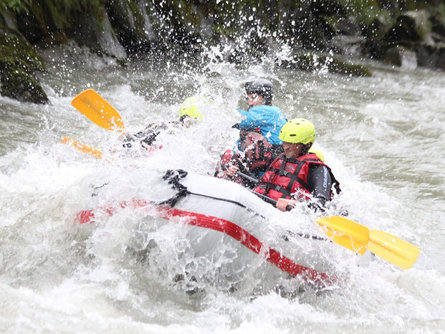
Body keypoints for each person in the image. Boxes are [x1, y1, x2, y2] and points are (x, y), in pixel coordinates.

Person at [253, 118, 341, 212]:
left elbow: (321, 203)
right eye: (285, 142)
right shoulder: (279, 157)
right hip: (260, 203)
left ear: (307, 145)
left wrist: (296, 204)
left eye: (291, 143)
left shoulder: (317, 169)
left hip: (285, 216)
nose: (286, 147)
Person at [215, 78, 288, 186]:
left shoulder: (268, 111)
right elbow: (239, 146)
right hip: (261, 171)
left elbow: (231, 119)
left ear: (265, 98)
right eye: (247, 98)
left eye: (253, 97)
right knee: (227, 156)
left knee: (227, 156)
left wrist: (207, 113)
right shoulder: (262, 119)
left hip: (269, 173)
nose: (249, 102)